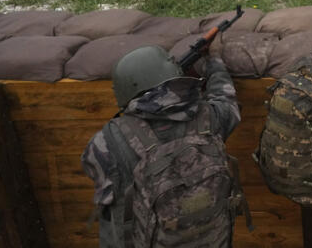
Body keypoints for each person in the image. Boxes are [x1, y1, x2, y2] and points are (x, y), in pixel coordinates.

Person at [81, 45, 245, 248]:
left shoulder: (107, 141)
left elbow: (96, 175)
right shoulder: (211, 118)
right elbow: (227, 100)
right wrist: (214, 63)